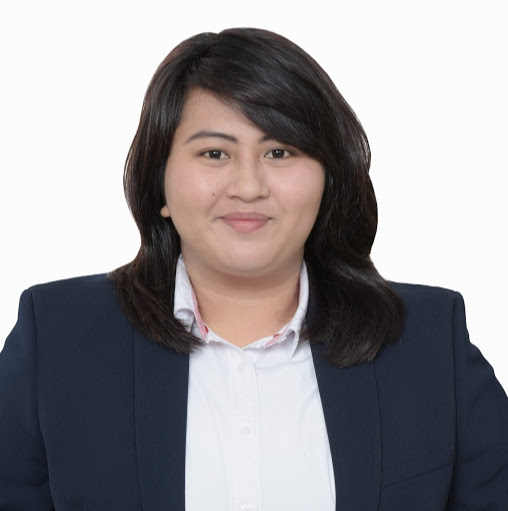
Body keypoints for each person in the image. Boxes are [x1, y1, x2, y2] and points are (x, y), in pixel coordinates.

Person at [0, 27, 507, 511]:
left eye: (279, 152)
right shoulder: (57, 338)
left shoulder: (429, 341)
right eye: (214, 153)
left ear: (328, 180)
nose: (248, 186)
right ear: (160, 185)